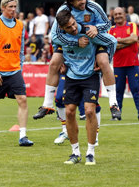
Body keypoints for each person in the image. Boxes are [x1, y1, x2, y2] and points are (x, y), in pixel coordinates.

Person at [33, 0, 121, 121]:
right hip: (70, 41)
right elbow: (55, 36)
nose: (83, 1)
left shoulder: (93, 6)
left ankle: (113, 104)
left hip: (94, 40)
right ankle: (47, 105)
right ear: (70, 2)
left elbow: (107, 24)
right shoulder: (63, 11)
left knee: (103, 62)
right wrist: (75, 43)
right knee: (54, 62)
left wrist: (95, 28)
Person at [0, 0, 33, 147]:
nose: (13, 9)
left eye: (15, 7)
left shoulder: (20, 25)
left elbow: (21, 48)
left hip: (15, 71)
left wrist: (20, 67)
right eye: (10, 7)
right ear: (3, 8)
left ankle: (23, 136)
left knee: (23, 100)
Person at [54, 10, 100, 165]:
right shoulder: (59, 36)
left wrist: (102, 58)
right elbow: (55, 44)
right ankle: (75, 153)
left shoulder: (89, 29)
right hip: (71, 76)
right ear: (62, 28)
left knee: (89, 110)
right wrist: (62, 61)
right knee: (69, 112)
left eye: (73, 24)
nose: (73, 28)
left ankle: (90, 153)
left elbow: (110, 41)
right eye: (68, 27)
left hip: (90, 75)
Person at [109, 7, 139, 121]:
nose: (118, 16)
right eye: (115, 14)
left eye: (120, 13)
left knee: (136, 89)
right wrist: (127, 41)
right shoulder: (111, 29)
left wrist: (117, 40)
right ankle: (117, 115)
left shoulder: (132, 25)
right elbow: (111, 45)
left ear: (125, 14)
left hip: (132, 64)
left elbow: (134, 38)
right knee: (118, 91)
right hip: (118, 65)